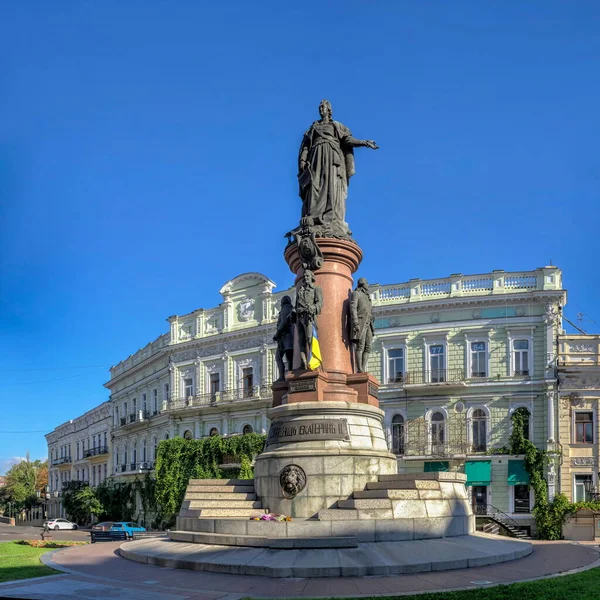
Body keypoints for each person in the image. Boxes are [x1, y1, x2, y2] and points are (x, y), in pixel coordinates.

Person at [298, 100, 378, 238]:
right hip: (316, 157)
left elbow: (347, 140)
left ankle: (332, 217)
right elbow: (306, 146)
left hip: (332, 158)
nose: (321, 109)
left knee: (331, 186)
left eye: (324, 107)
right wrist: (303, 161)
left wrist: (364, 143)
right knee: (315, 185)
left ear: (329, 110)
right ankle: (314, 216)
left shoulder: (336, 126)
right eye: (320, 107)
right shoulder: (313, 128)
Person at [294, 270, 323, 370]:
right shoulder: (300, 290)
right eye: (304, 276)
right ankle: (303, 363)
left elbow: (319, 303)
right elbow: (295, 305)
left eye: (307, 276)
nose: (305, 278)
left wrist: (313, 308)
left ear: (311, 277)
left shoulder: (316, 289)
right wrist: (293, 312)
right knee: (301, 341)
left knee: (310, 339)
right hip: (300, 317)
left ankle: (313, 362)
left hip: (309, 316)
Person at [350, 278, 375, 373]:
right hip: (361, 322)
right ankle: (359, 368)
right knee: (360, 346)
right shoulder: (356, 294)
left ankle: (363, 368)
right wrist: (355, 322)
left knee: (368, 347)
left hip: (369, 323)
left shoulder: (367, 297)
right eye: (367, 283)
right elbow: (353, 308)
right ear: (362, 284)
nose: (368, 285)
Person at [273, 296, 294, 381]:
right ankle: (290, 374)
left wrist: (277, 334)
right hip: (288, 336)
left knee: (278, 357)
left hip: (285, 336)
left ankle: (282, 377)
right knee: (289, 358)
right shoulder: (290, 308)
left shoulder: (285, 308)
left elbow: (284, 322)